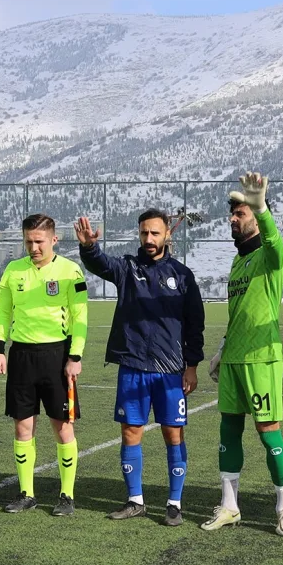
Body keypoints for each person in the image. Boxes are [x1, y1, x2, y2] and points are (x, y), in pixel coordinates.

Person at [75, 209, 204, 525]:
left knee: (173, 434)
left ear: (167, 235)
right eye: (144, 233)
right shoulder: (127, 268)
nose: (149, 239)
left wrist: (192, 366)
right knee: (131, 431)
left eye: (155, 233)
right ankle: (135, 500)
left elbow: (194, 324)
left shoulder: (183, 275)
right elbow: (99, 264)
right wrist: (89, 248)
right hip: (133, 366)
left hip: (171, 371)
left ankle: (174, 502)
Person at [202, 172, 283, 537]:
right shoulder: (237, 262)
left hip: (262, 360)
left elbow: (276, 245)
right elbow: (239, 312)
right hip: (234, 360)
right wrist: (224, 348)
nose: (232, 219)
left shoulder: (269, 258)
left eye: (240, 214)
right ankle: (229, 506)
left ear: (256, 215)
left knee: (268, 432)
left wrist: (262, 209)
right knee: (229, 430)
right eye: (233, 214)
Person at [0, 214, 88, 516]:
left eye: (39, 241)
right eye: (29, 241)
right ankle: (26, 493)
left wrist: (75, 356)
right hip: (21, 357)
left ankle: (66, 495)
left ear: (54, 239)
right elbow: (2, 313)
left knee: (62, 428)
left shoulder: (70, 271)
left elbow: (80, 318)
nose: (33, 247)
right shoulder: (12, 271)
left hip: (57, 357)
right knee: (22, 427)